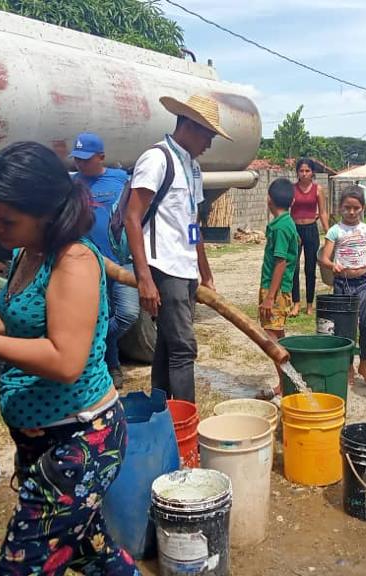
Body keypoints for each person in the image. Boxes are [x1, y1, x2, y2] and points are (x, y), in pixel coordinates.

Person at [0, 142, 137, 575]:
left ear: (47, 212)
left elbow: (65, 360)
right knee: (90, 551)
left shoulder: (74, 261)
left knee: (21, 566)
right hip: (40, 441)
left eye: (8, 220)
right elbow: (13, 321)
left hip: (80, 440)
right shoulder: (27, 252)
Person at [126, 94, 231, 403]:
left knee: (168, 346)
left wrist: (205, 272)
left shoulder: (193, 167)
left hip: (185, 269)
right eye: (208, 135)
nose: (210, 143)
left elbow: (192, 223)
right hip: (163, 266)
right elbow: (133, 218)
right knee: (184, 348)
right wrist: (144, 278)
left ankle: (161, 410)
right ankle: (188, 423)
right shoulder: (156, 159)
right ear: (189, 125)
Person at [71, 131, 137, 387]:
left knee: (128, 314)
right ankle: (112, 366)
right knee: (101, 313)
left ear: (102, 157)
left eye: (86, 159)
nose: (80, 164)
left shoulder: (121, 180)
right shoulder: (73, 185)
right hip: (90, 264)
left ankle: (91, 344)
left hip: (121, 260)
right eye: (77, 159)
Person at [319, 186, 366, 385]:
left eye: (356, 208)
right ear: (340, 208)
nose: (351, 212)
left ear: (362, 208)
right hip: (343, 284)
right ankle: (347, 366)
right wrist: (332, 265)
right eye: (347, 207)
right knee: (345, 329)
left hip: (363, 283)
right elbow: (324, 258)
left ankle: (363, 364)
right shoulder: (335, 231)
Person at [256, 177, 300, 401]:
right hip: (277, 290)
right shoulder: (285, 223)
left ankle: (287, 385)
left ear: (269, 200)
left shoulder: (281, 227)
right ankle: (286, 383)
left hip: (275, 291)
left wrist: (270, 297)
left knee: (272, 340)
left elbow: (280, 262)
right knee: (278, 337)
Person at [289, 157, 330, 317]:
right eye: (301, 171)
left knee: (310, 268)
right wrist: (291, 231)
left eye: (307, 171)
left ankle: (310, 304)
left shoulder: (318, 189)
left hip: (311, 229)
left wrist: (328, 232)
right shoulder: (292, 189)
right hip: (295, 230)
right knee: (293, 267)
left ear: (312, 172)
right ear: (297, 172)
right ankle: (296, 303)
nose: (304, 174)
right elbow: (287, 211)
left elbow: (323, 212)